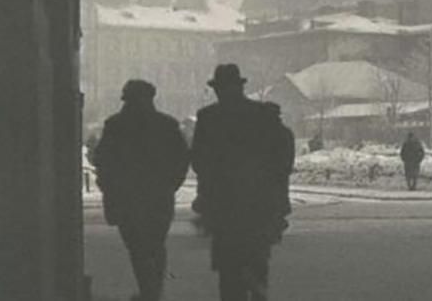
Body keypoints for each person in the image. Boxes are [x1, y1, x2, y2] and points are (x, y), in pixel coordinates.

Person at [191, 64, 294, 301]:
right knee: (258, 264)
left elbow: (198, 161)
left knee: (229, 273)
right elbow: (281, 159)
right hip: (259, 205)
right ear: (239, 86)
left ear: (218, 89)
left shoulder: (208, 118)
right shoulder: (263, 114)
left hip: (223, 206)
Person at [93, 80, 190, 301]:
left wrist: (108, 186)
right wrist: (170, 185)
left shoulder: (115, 125)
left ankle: (149, 291)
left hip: (126, 198)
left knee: (137, 247)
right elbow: (182, 159)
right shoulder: (167, 125)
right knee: (156, 244)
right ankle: (153, 291)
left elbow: (103, 159)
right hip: (159, 197)